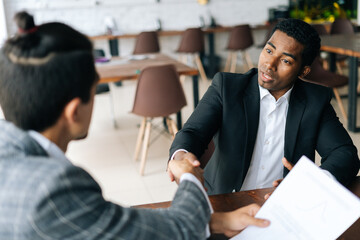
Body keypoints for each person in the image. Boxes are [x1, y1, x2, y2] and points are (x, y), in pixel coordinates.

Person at [0, 12, 270, 239]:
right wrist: (189, 175)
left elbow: (103, 221)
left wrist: (215, 223)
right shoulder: (55, 187)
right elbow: (180, 229)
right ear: (73, 112)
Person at [169, 18, 360, 195]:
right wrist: (181, 156)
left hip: (281, 203)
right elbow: (193, 132)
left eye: (285, 60)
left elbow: (344, 154)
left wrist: (314, 180)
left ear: (303, 71)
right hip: (225, 199)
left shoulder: (315, 101)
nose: (269, 64)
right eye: (269, 51)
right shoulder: (227, 88)